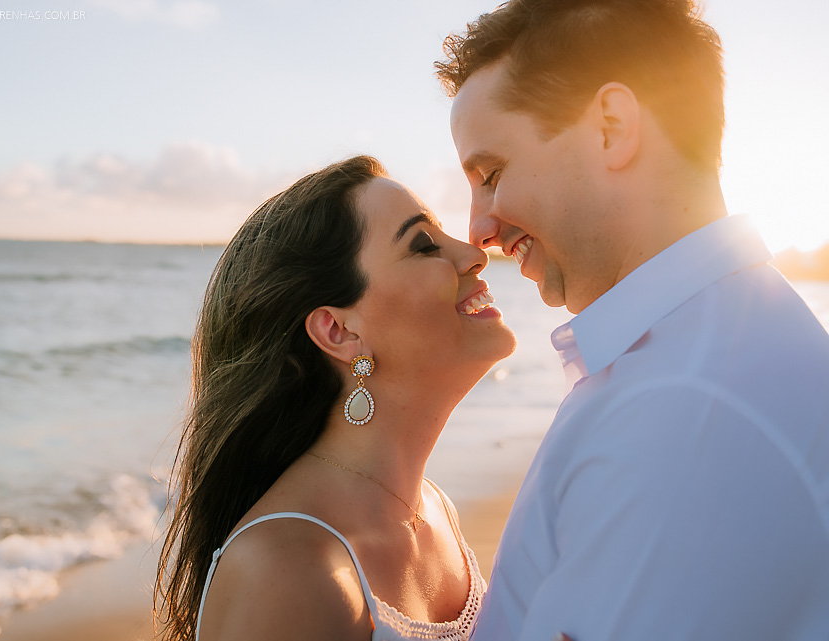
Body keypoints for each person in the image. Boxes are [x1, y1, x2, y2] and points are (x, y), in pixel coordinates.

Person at [435, 1, 829, 639]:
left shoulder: (686, 410)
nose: (478, 230)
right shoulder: (694, 354)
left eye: (492, 174)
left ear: (614, 127)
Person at [154, 155, 518, 641]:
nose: (473, 253)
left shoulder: (433, 508)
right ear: (339, 331)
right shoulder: (283, 572)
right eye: (424, 244)